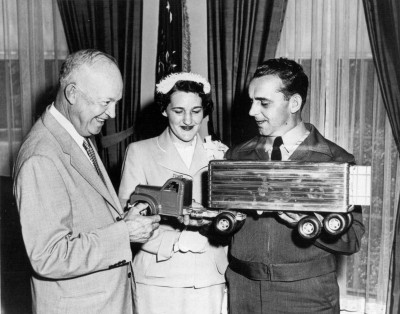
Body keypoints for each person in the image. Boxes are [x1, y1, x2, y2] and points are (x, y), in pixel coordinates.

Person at [13, 49, 160, 314]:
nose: (112, 113)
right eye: (105, 102)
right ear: (71, 94)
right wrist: (124, 233)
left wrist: (124, 220)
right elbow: (48, 256)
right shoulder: (41, 157)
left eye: (115, 102)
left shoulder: (77, 136)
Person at [224, 58, 365, 314]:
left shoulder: (341, 160)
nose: (251, 112)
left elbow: (352, 238)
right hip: (244, 292)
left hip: (308, 296)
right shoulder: (235, 156)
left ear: (295, 103)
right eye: (252, 101)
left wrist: (310, 223)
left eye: (263, 103)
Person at [119, 72, 229, 314]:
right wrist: (177, 241)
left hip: (207, 276)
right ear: (164, 110)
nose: (188, 119)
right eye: (179, 111)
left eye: (196, 111)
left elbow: (232, 216)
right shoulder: (140, 152)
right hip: (158, 276)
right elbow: (128, 220)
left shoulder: (221, 154)